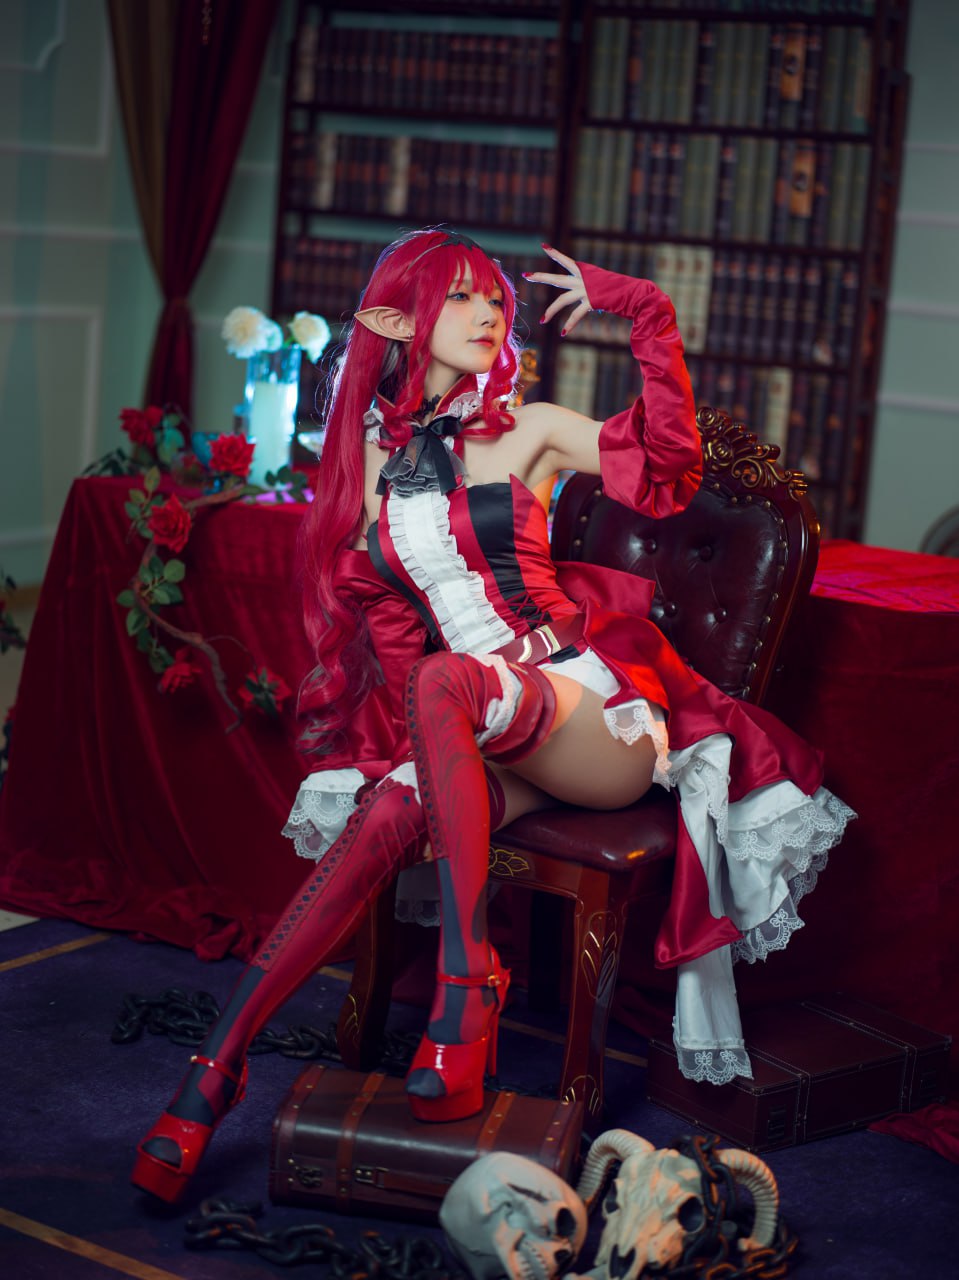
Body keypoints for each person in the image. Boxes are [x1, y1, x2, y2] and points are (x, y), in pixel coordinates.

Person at [132, 229, 853, 1203]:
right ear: (395, 320)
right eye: (462, 297)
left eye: (494, 300)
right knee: (386, 813)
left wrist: (641, 311)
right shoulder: (367, 462)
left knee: (446, 682)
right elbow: (393, 632)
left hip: (593, 717)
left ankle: (466, 984)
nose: (488, 314)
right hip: (478, 722)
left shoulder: (530, 429)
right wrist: (410, 766)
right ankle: (210, 1074)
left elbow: (669, 472)